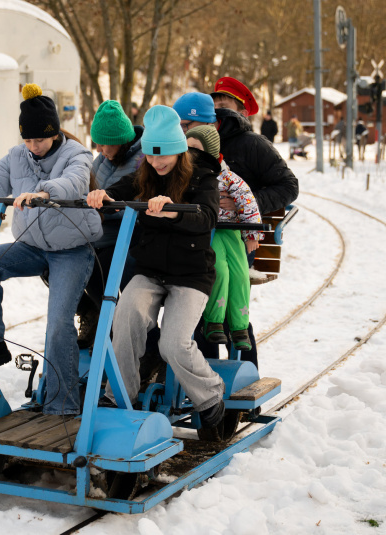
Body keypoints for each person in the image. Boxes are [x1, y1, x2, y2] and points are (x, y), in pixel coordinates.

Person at [0, 83, 102, 416]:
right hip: (32, 246)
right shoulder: (18, 156)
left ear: (55, 133)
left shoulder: (77, 154)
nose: (33, 147)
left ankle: (63, 407)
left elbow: (74, 181)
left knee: (58, 324)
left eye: (40, 140)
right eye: (27, 140)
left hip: (72, 250)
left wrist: (45, 193)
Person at [86, 105, 226, 430]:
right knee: (125, 319)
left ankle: (210, 394)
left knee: (173, 344)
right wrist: (103, 194)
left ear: (179, 150)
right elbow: (121, 189)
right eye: (150, 156)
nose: (156, 162)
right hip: (150, 272)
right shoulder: (146, 174)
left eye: (163, 156)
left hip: (191, 275)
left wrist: (173, 212)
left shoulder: (203, 177)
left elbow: (206, 216)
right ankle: (120, 395)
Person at [173, 91, 298, 369]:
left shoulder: (251, 145)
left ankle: (243, 375)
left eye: (186, 127)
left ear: (209, 124)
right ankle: (201, 375)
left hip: (236, 235)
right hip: (197, 236)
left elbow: (289, 186)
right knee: (191, 303)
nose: (182, 133)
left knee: (225, 285)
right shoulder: (181, 148)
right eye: (178, 127)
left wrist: (244, 203)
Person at [185, 126, 261, 350]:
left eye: (195, 149)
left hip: (232, 231)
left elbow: (248, 202)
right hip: (210, 230)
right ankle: (214, 322)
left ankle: (240, 326)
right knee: (219, 269)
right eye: (187, 149)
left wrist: (251, 233)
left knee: (239, 274)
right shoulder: (187, 175)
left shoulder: (228, 177)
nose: (190, 154)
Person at [76, 100, 144, 348]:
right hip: (99, 232)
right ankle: (94, 314)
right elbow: (86, 186)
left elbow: (135, 192)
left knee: (97, 269)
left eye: (103, 143)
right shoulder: (102, 160)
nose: (99, 149)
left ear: (119, 140)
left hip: (127, 235)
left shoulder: (143, 159)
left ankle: (117, 328)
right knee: (53, 261)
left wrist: (107, 205)